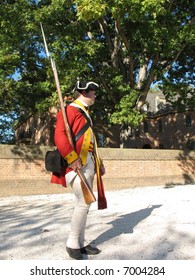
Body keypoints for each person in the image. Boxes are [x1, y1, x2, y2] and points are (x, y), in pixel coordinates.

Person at [51, 81, 107, 260]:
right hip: (75, 163)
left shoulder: (84, 113)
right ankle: (72, 243)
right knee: (84, 201)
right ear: (84, 92)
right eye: (93, 92)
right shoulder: (69, 110)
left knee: (85, 202)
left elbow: (91, 142)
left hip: (88, 162)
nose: (95, 95)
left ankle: (81, 243)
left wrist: (99, 162)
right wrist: (72, 158)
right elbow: (59, 136)